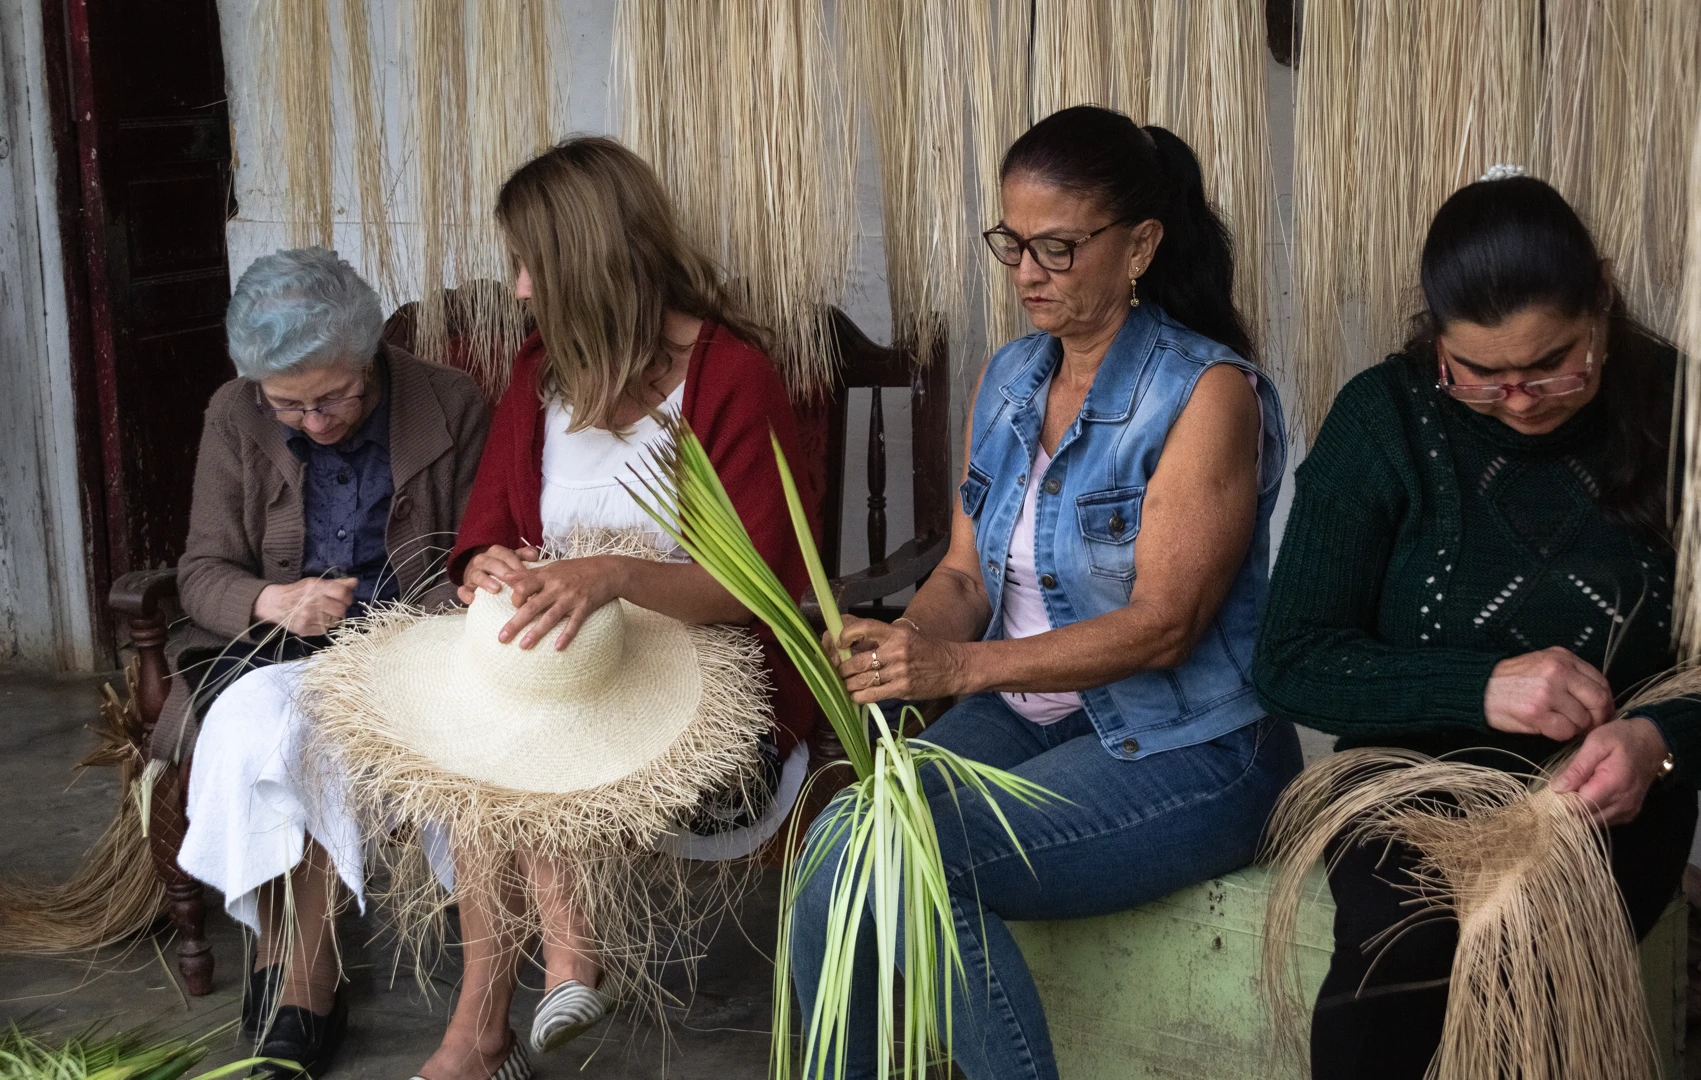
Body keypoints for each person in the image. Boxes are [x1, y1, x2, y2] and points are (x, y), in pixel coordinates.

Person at [1251, 173, 1701, 1080]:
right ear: (1437, 337)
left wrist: (1657, 742)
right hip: (1407, 787)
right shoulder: (1385, 419)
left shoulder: (1695, 418)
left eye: (1553, 362)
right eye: (1478, 374)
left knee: (1532, 962)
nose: (1518, 399)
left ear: (1601, 296)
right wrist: (1478, 686)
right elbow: (1288, 659)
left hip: (1605, 803)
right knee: (1395, 973)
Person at [789, 105, 1303, 1080]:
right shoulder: (1014, 376)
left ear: (1140, 245)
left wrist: (957, 665)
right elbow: (963, 576)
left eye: (1057, 249)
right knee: (835, 845)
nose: (1027, 272)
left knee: (906, 856)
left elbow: (1163, 629)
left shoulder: (1204, 395)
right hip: (1026, 724)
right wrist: (892, 652)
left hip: (1186, 751)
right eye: (1012, 244)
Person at [417, 135, 819, 1080]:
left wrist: (616, 575)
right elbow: (484, 531)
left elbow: (762, 588)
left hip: (708, 701)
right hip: (570, 670)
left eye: (530, 263)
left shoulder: (731, 380)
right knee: (483, 737)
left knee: (499, 754)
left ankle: (489, 1028)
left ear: (587, 262)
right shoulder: (540, 371)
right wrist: (487, 565)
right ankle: (535, 987)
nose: (518, 287)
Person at [174, 248, 489, 1076]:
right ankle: (302, 972)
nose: (314, 423)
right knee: (264, 726)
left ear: (369, 356)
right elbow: (201, 570)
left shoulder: (450, 404)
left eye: (333, 399)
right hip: (281, 652)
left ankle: (298, 984)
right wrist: (273, 601)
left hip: (415, 650)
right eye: (290, 406)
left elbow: (476, 554)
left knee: (330, 731)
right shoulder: (233, 413)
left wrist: (423, 623)